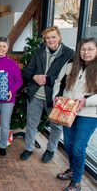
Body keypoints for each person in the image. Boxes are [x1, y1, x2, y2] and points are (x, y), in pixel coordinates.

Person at [20, 26, 75, 162]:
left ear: (59, 38)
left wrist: (48, 79)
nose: (50, 40)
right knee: (31, 123)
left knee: (56, 126)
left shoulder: (69, 53)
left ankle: (50, 150)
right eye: (48, 38)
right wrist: (35, 77)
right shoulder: (39, 52)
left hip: (55, 96)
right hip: (36, 94)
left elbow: (70, 77)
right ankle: (29, 148)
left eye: (53, 37)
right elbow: (27, 71)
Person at [53, 38, 97, 191]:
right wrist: (56, 95)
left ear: (96, 50)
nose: (86, 52)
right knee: (69, 144)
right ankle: (72, 170)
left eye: (90, 49)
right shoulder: (71, 64)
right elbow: (59, 81)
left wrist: (86, 100)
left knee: (79, 147)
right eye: (83, 49)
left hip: (89, 114)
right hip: (67, 110)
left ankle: (77, 180)